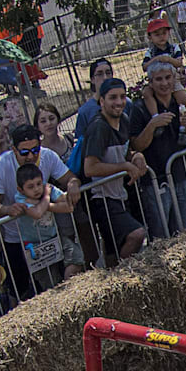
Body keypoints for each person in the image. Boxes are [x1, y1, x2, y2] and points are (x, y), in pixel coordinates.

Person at [0, 124, 81, 297]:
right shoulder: (0, 165)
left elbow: (70, 179)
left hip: (49, 234)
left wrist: (73, 184)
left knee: (63, 278)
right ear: (14, 149)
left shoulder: (48, 156)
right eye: (24, 152)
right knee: (22, 290)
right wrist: (7, 209)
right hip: (18, 238)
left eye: (35, 150)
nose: (30, 156)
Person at [82, 78, 147, 266]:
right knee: (136, 234)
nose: (118, 102)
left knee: (112, 249)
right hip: (102, 198)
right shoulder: (98, 127)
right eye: (112, 98)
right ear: (101, 101)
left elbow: (126, 153)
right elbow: (90, 167)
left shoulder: (124, 120)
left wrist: (136, 157)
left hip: (120, 194)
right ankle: (121, 278)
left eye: (122, 97)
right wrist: (125, 167)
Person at [129, 61, 186, 237]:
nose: (164, 83)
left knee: (184, 231)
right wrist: (152, 125)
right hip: (154, 180)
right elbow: (136, 145)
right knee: (161, 234)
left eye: (168, 78)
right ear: (150, 83)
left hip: (181, 175)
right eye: (158, 79)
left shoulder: (183, 102)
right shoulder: (139, 108)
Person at [13, 162, 85, 281]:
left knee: (76, 258)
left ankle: (69, 288)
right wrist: (46, 196)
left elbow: (69, 206)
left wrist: (46, 205)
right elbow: (37, 214)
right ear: (20, 190)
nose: (36, 189)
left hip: (55, 237)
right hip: (34, 245)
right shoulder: (21, 199)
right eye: (30, 187)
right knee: (49, 279)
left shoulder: (47, 187)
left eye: (38, 184)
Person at [140, 17, 186, 122]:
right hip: (155, 80)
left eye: (164, 33)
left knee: (183, 99)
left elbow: (179, 63)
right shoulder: (150, 52)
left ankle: (185, 122)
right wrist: (156, 59)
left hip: (174, 78)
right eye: (157, 35)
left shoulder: (174, 48)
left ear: (169, 33)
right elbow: (144, 67)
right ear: (150, 37)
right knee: (146, 93)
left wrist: (168, 60)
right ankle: (155, 117)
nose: (161, 37)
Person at [74, 59, 129, 139]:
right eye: (99, 74)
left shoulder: (125, 103)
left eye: (108, 73)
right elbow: (80, 142)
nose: (105, 77)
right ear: (92, 79)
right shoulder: (85, 111)